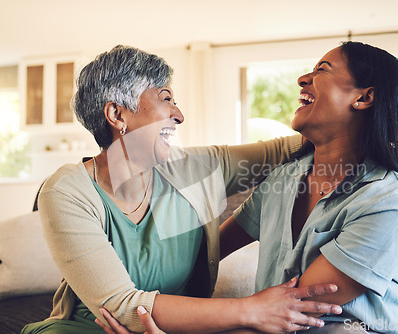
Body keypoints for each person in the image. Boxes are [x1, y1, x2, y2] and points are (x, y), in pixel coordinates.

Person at [21, 45, 343, 334]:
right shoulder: (66, 191)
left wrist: (374, 136)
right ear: (117, 114)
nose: (179, 115)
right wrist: (253, 309)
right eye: (165, 99)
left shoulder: (192, 167)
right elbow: (124, 309)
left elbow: (283, 150)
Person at [217, 42, 398, 334]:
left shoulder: (391, 200)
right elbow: (211, 249)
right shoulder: (282, 179)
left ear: (364, 97)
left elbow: (291, 307)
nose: (302, 79)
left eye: (322, 70)